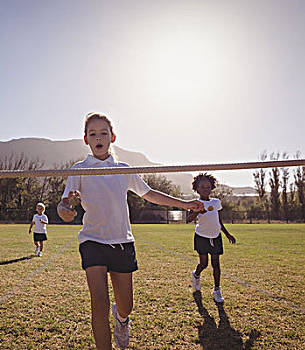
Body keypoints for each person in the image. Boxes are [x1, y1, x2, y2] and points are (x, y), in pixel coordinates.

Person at [57, 112, 205, 350]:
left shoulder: (123, 169)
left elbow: (149, 194)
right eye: (92, 133)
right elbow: (66, 202)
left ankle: (122, 319)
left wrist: (185, 204)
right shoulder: (80, 168)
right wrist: (65, 209)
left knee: (125, 305)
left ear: (112, 137)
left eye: (103, 133)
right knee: (99, 304)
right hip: (92, 241)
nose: (98, 137)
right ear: (85, 139)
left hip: (123, 243)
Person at [186, 173, 236, 303]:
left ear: (212, 187)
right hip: (201, 237)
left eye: (208, 187)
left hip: (216, 236)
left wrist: (227, 234)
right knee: (204, 264)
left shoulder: (216, 202)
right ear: (197, 189)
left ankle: (217, 290)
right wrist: (197, 210)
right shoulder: (196, 203)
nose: (206, 189)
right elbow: (188, 219)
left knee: (216, 265)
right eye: (202, 187)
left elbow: (219, 220)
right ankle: (196, 275)